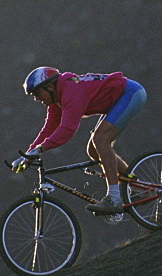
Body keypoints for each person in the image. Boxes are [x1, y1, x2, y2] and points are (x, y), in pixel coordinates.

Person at [11, 66, 147, 214]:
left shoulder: (71, 92)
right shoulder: (57, 98)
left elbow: (67, 129)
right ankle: (140, 188)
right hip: (120, 98)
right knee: (93, 150)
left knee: (100, 140)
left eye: (37, 93)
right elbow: (49, 129)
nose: (36, 99)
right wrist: (28, 153)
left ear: (49, 86)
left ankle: (114, 198)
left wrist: (40, 149)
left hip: (131, 94)